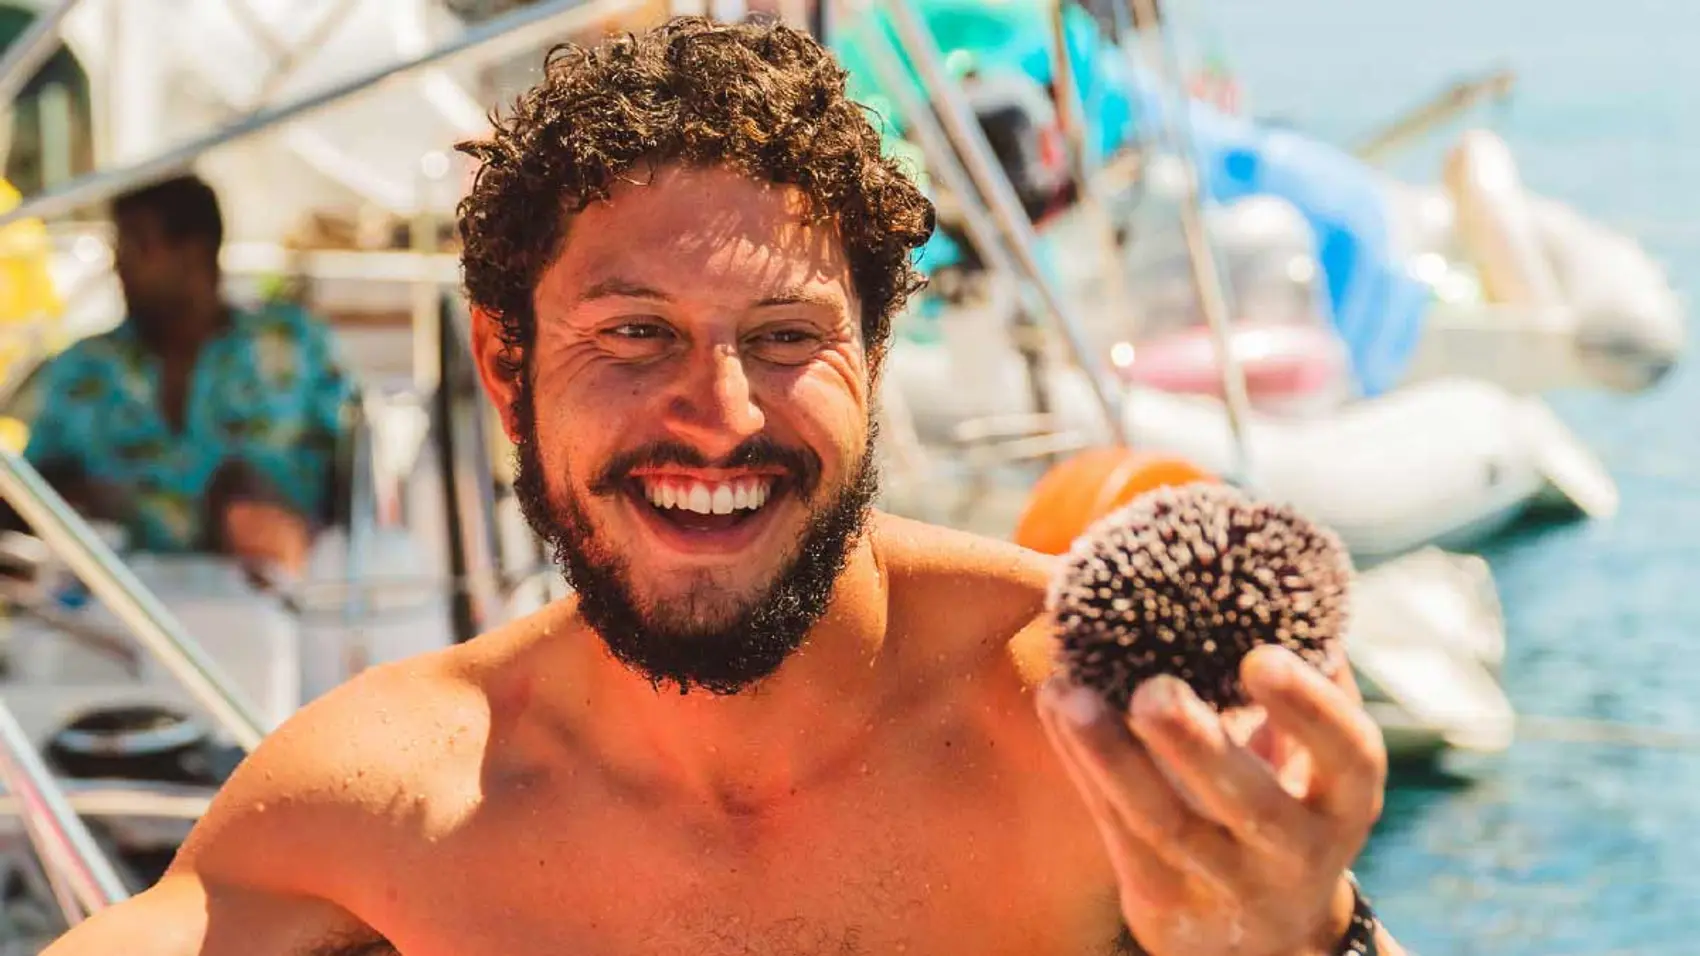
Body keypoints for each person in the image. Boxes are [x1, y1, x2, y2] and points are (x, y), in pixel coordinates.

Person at [45, 18, 1400, 955]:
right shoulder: (380, 808)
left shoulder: (1082, 725)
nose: (722, 417)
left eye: (787, 338)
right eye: (634, 335)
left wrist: (1310, 934)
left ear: (873, 357)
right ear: (504, 365)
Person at [13, 173, 354, 575]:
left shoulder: (295, 345)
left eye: (138, 245)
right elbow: (29, 495)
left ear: (193, 254)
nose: (120, 264)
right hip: (118, 605)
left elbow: (355, 479)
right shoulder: (83, 365)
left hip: (280, 600)